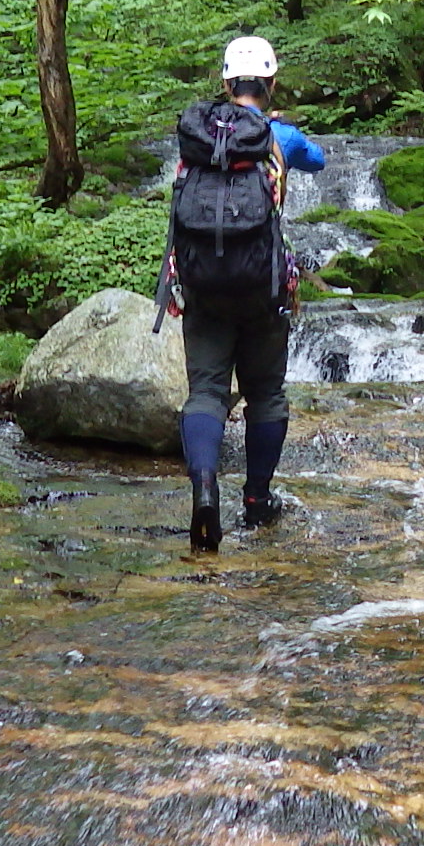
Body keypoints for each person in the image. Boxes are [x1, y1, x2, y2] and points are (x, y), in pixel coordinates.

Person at [157, 35, 326, 551]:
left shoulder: (197, 135)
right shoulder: (281, 137)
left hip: (201, 283)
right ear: (271, 83)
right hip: (263, 284)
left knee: (206, 391)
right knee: (265, 395)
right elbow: (317, 160)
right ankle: (256, 499)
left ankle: (205, 488)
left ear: (226, 83)